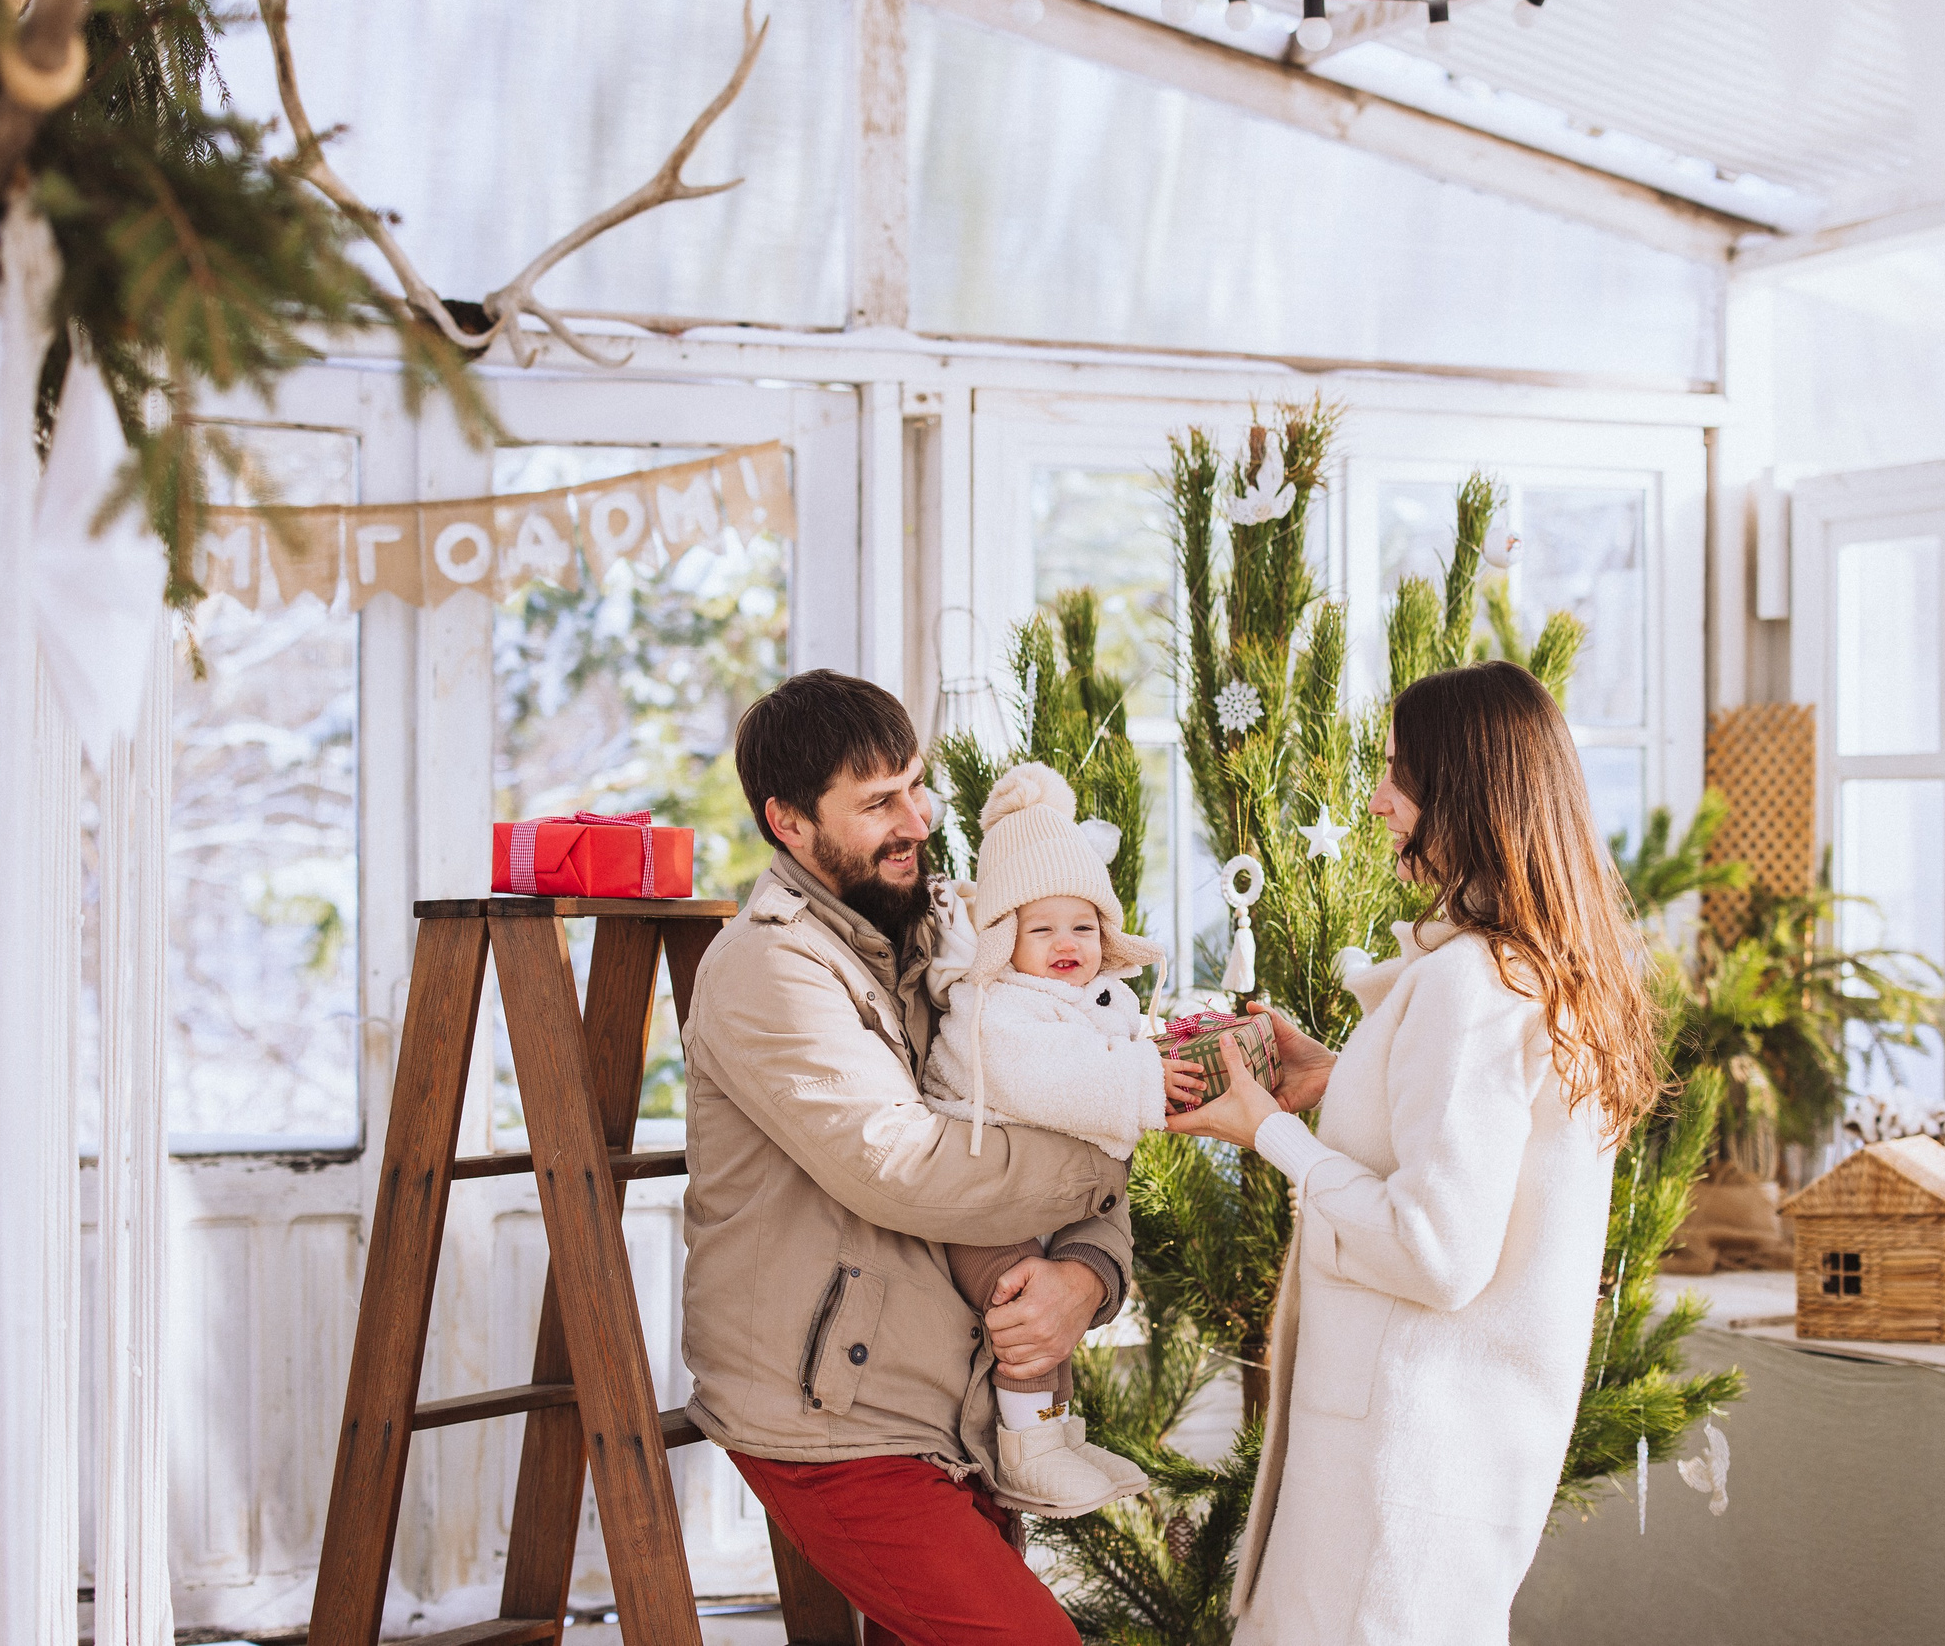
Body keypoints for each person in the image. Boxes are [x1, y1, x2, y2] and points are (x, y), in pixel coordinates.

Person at [1170, 660, 1662, 1646]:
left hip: (1395, 1476)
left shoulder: (1466, 983)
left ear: (1465, 794)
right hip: (1450, 1468)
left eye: (1399, 773)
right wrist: (1334, 1072)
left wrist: (1266, 1126)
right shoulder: (1533, 973)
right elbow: (1468, 1146)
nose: (1377, 799)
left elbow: (1437, 1248)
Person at [679, 669, 1134, 1646]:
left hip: (966, 1402)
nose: (916, 818)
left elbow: (1083, 1092)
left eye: (915, 787)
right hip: (836, 1418)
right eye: (878, 800)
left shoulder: (959, 935)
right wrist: (1101, 1165)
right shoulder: (771, 967)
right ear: (790, 824)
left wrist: (1086, 1275)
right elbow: (905, 1163)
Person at [920, 761, 1205, 1516]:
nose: (1065, 943)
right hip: (982, 1202)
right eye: (1040, 928)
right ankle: (1028, 1448)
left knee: (1060, 1302)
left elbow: (1098, 1051)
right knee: (1023, 1302)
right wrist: (1145, 1083)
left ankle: (1057, 1432)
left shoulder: (1084, 996)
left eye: (1082, 925)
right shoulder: (996, 1009)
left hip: (1040, 1192)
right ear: (1004, 938)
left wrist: (1146, 1045)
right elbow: (1052, 1082)